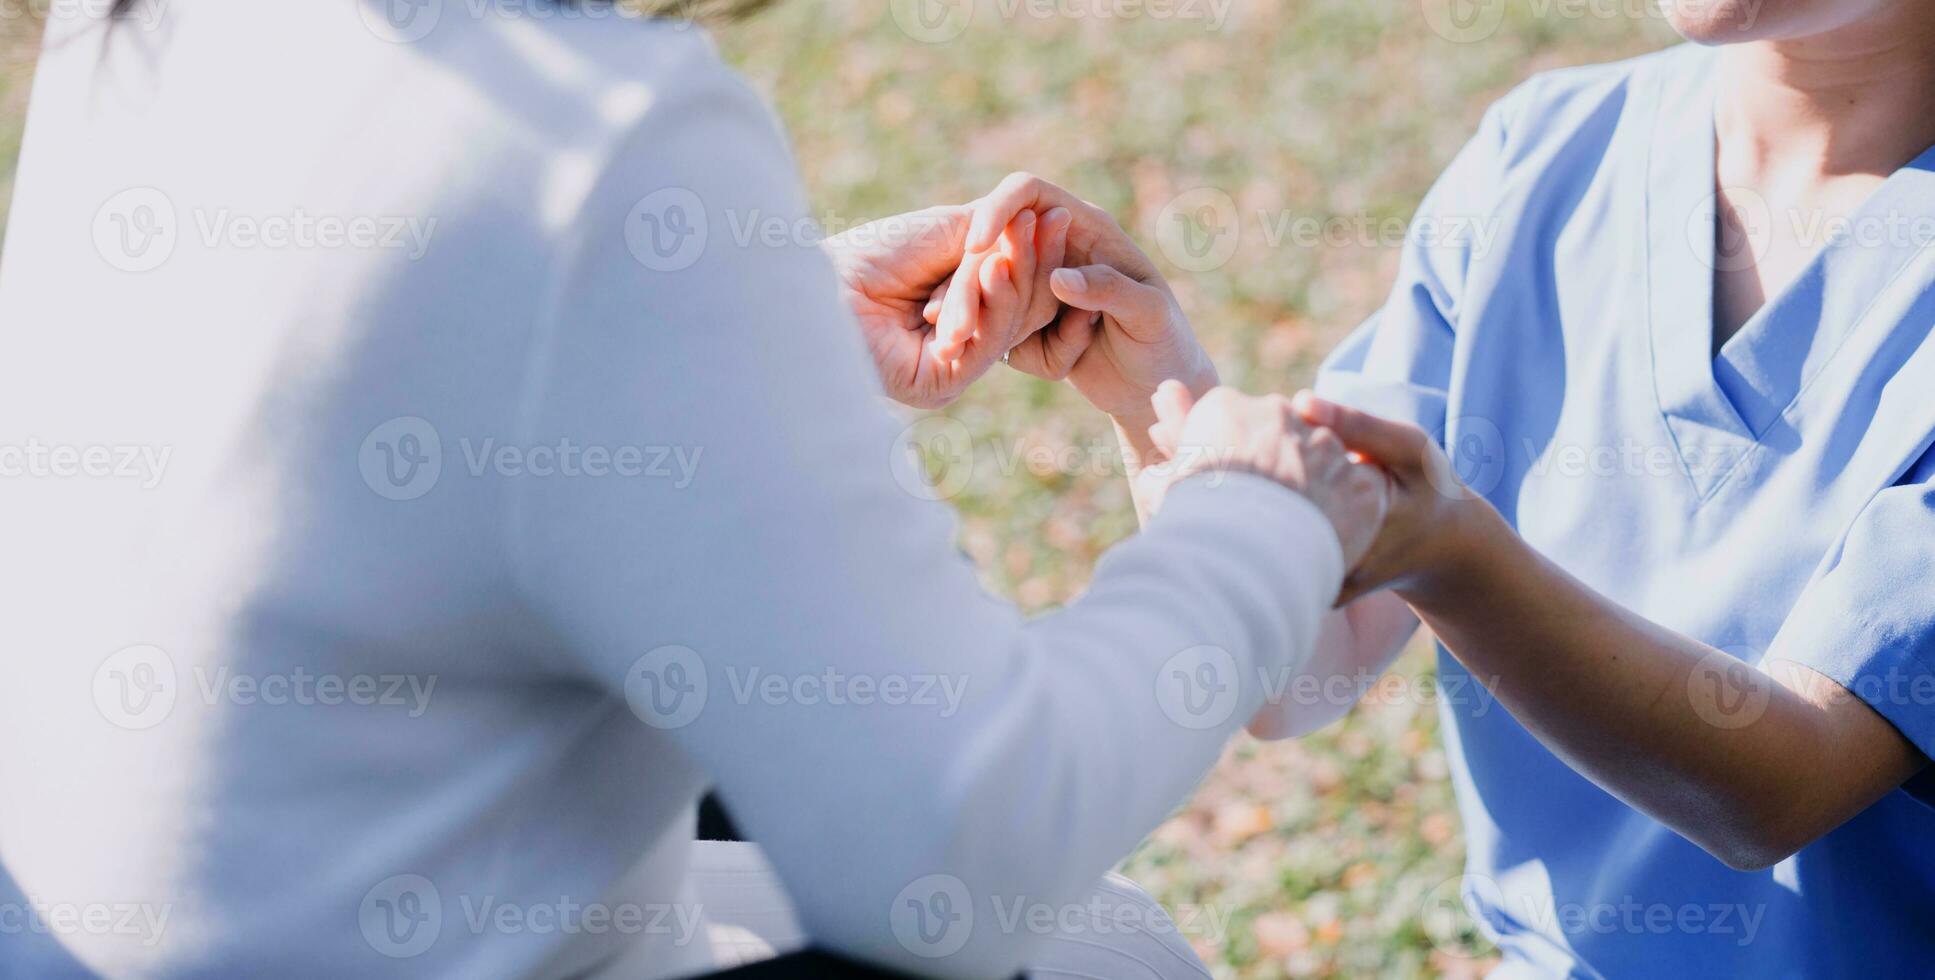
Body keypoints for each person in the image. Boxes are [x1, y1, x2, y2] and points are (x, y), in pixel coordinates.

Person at [0, 1, 1389, 978]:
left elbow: (366, 421)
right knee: (1104, 952)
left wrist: (762, 340)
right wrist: (1247, 513)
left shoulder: (144, 27)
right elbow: (961, 859)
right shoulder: (593, 124)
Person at [965, 0, 1935, 975]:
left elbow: (1778, 789)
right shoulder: (1543, 153)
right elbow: (1310, 666)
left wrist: (1455, 556)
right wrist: (1158, 396)